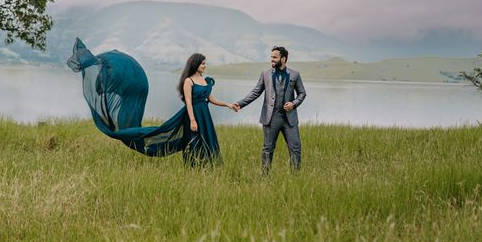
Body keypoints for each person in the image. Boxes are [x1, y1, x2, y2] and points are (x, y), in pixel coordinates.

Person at [67, 38, 236, 166]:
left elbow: (210, 98)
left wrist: (227, 104)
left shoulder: (205, 81)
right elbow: (189, 102)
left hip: (204, 114)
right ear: (195, 65)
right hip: (193, 114)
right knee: (188, 138)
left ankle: (210, 165)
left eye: (205, 63)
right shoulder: (188, 82)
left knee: (207, 137)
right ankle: (194, 165)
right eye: (203, 63)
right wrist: (192, 119)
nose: (205, 66)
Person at [234, 46, 306, 173]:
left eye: (275, 57)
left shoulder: (295, 74)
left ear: (283, 59)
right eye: (271, 57)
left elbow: (302, 93)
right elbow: (256, 92)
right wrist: (240, 104)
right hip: (271, 118)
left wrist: (293, 104)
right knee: (268, 149)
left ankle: (296, 177)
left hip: (290, 120)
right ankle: (265, 178)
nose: (271, 60)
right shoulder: (265, 74)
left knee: (296, 148)